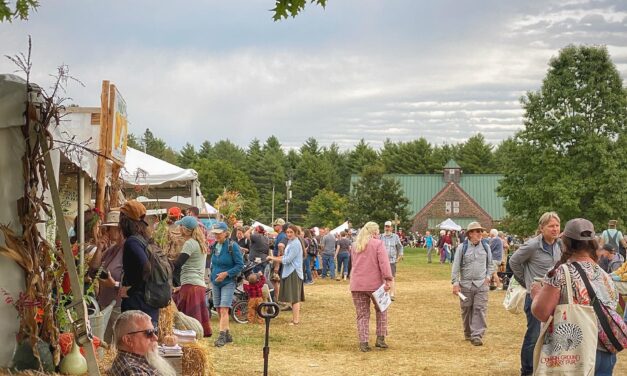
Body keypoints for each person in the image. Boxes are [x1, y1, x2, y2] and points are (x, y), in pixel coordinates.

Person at [531, 218, 619, 376]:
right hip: (605, 352)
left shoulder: (560, 273)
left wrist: (536, 294)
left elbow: (541, 312)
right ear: (593, 243)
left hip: (573, 355)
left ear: (565, 243)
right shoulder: (605, 275)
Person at [509, 211, 561, 376]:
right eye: (551, 226)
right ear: (542, 228)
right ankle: (527, 370)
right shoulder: (532, 245)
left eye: (557, 225)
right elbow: (513, 261)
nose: (555, 229)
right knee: (533, 335)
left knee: (555, 335)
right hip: (535, 298)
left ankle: (547, 368)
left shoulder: (561, 245)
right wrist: (527, 282)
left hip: (555, 298)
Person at [349, 221, 393, 352]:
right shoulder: (378, 244)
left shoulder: (355, 245)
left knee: (362, 315)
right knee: (382, 310)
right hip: (375, 285)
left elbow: (353, 264)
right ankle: (380, 339)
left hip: (357, 284)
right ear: (375, 232)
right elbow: (384, 263)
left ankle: (363, 342)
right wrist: (388, 279)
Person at [451, 221, 494, 346]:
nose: (480, 233)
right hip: (465, 285)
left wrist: (488, 277)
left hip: (481, 284)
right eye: (477, 231)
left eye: (481, 231)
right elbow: (456, 266)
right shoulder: (461, 248)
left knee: (480, 309)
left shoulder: (486, 247)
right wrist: (455, 283)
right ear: (470, 234)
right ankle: (468, 333)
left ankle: (477, 335)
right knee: (466, 309)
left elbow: (490, 264)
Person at [119, 200, 160, 326]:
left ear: (125, 220)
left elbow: (146, 267)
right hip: (149, 302)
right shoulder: (145, 240)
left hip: (137, 304)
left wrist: (131, 291)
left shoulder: (132, 242)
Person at [172, 216, 211, 337]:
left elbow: (178, 264)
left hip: (191, 286)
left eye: (180, 226)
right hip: (197, 285)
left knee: (187, 326)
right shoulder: (200, 243)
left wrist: (162, 261)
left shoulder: (189, 243)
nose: (178, 228)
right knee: (194, 325)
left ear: (185, 229)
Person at [90, 210, 124, 343]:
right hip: (105, 304)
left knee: (116, 344)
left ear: (119, 229)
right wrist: (99, 248)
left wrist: (114, 284)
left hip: (118, 306)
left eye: (110, 228)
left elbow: (134, 282)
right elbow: (93, 270)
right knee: (105, 344)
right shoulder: (112, 249)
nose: (107, 232)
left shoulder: (128, 249)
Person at [107, 310, 175, 376]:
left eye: (155, 331)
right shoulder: (134, 371)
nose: (155, 338)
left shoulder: (133, 359)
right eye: (149, 333)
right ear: (128, 340)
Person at [209, 221, 244, 347]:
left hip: (228, 282)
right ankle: (227, 333)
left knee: (224, 308)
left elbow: (240, 265)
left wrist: (226, 274)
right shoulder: (214, 246)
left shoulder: (233, 246)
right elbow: (213, 263)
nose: (216, 236)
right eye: (215, 234)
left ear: (226, 233)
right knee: (218, 308)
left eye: (219, 234)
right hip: (215, 281)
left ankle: (221, 335)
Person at [267, 224, 305, 325]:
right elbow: (285, 256)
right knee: (293, 298)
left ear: (296, 233)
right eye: (287, 232)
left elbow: (287, 260)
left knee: (295, 298)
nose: (289, 234)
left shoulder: (295, 243)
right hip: (289, 272)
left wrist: (273, 258)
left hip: (294, 273)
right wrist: (274, 258)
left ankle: (296, 320)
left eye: (291, 232)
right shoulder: (291, 242)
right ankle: (294, 319)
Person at [381, 221, 403, 300]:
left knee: (391, 277)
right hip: (382, 261)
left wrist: (400, 255)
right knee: (382, 278)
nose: (387, 228)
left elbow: (400, 247)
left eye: (388, 226)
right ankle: (383, 294)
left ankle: (392, 294)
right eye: (385, 226)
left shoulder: (395, 237)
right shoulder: (381, 237)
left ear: (391, 228)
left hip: (392, 260)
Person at [271, 218, 287, 302]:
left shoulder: (281, 235)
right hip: (280, 260)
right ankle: (278, 298)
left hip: (279, 261)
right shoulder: (281, 235)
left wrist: (277, 265)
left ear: (280, 226)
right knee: (276, 280)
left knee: (275, 280)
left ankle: (277, 299)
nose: (274, 227)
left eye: (275, 225)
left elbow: (280, 251)